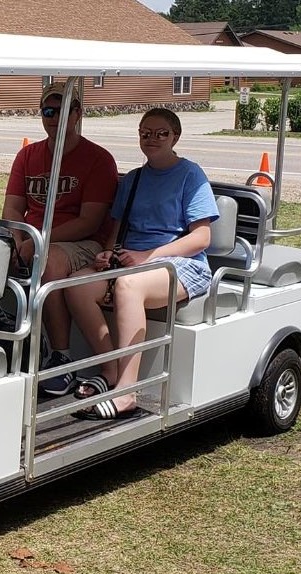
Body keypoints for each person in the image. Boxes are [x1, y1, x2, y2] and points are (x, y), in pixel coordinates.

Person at [64, 108, 219, 419]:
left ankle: (127, 391)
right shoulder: (133, 179)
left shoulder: (191, 175)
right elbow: (119, 231)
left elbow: (201, 238)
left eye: (161, 133)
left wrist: (150, 256)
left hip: (181, 263)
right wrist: (109, 253)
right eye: (145, 133)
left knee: (128, 285)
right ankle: (109, 370)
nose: (152, 139)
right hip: (135, 260)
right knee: (77, 287)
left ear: (175, 136)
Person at [3, 81, 118, 396]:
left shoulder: (98, 159)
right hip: (32, 239)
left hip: (83, 243)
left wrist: (36, 242)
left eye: (63, 110)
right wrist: (14, 241)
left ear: (78, 114)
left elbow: (89, 221)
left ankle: (61, 357)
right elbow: (13, 207)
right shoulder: (27, 156)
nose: (54, 118)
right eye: (48, 111)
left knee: (48, 260)